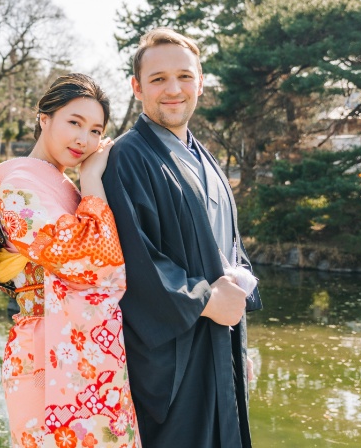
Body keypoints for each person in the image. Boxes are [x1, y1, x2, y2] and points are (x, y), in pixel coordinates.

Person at [102, 28, 261, 448]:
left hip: (219, 343)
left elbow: (228, 246)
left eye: (184, 76)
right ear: (137, 88)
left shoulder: (202, 155)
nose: (173, 89)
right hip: (172, 361)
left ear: (201, 83)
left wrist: (242, 286)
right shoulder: (127, 156)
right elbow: (134, 258)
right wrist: (208, 300)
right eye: (157, 79)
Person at [0, 73, 141, 448]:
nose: (83, 139)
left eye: (94, 130)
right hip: (43, 347)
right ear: (45, 118)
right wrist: (92, 176)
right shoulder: (20, 186)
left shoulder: (60, 184)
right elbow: (95, 261)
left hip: (72, 344)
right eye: (74, 122)